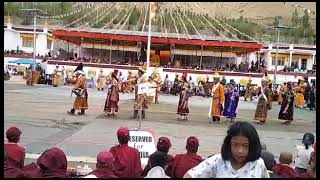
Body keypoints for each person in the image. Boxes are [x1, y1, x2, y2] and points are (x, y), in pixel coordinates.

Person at [184, 121, 269, 178]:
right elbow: (190, 175)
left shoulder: (258, 164)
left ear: (253, 145)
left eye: (245, 145)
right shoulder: (217, 160)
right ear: (229, 144)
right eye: (235, 145)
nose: (240, 151)